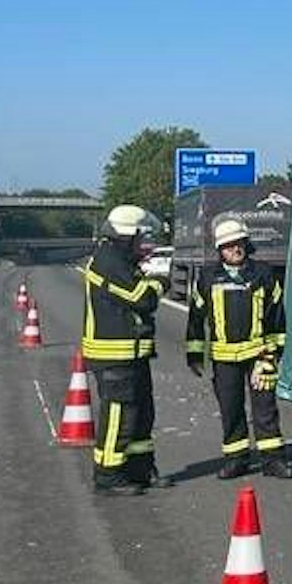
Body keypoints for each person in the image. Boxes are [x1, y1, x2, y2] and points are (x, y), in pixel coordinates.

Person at [186, 217, 292, 480]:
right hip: (224, 360)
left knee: (265, 410)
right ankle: (236, 460)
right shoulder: (208, 278)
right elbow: (195, 318)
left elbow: (276, 320)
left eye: (238, 244)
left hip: (259, 356)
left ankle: (273, 461)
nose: (234, 249)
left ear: (246, 244)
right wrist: (194, 355)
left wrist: (270, 358)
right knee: (230, 409)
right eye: (227, 245)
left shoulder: (263, 275)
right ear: (219, 250)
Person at [81, 204, 168, 496]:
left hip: (132, 353)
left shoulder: (118, 259)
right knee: (119, 416)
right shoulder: (109, 262)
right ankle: (107, 474)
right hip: (113, 355)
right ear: (126, 236)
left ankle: (140, 469)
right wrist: (158, 283)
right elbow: (141, 298)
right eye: (140, 238)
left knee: (142, 414)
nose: (143, 244)